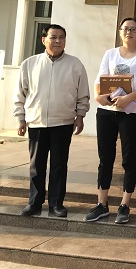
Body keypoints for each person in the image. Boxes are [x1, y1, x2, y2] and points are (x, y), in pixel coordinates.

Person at [14, 24, 90, 218]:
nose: (57, 41)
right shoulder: (29, 64)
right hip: (36, 122)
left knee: (59, 165)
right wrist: (20, 118)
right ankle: (34, 202)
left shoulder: (75, 65)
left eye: (61, 37)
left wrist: (80, 116)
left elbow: (83, 94)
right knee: (36, 165)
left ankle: (56, 204)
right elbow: (20, 94)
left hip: (63, 123)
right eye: (53, 37)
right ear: (44, 40)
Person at [85, 17, 136, 224]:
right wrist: (98, 97)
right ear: (119, 31)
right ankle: (102, 204)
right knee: (105, 159)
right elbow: (100, 80)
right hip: (106, 112)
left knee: (128, 159)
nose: (129, 32)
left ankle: (124, 205)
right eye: (125, 29)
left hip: (130, 113)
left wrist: (128, 99)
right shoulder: (110, 53)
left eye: (133, 29)